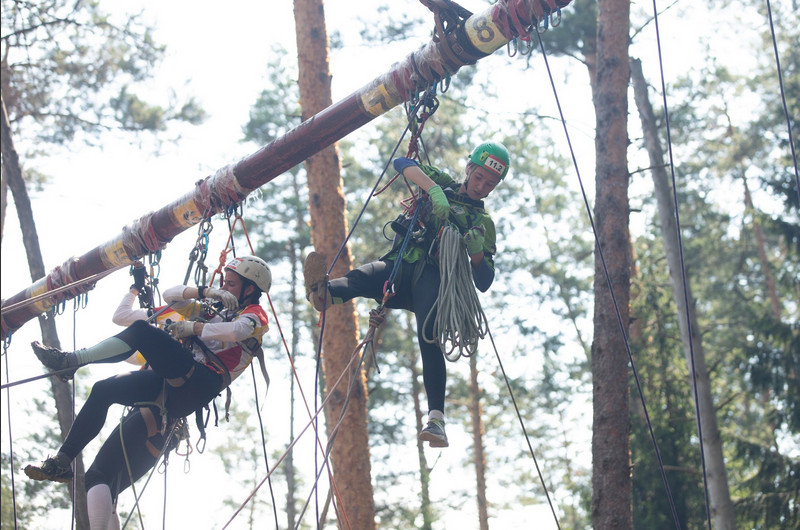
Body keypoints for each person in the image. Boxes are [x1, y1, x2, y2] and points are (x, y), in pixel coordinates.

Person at [24, 255, 272, 528]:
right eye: (224, 282)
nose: (225, 286)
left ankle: (73, 361)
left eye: (231, 283)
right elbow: (170, 295)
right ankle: (64, 459)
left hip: (200, 381)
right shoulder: (211, 308)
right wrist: (208, 292)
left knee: (142, 330)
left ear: (250, 289)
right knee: (103, 390)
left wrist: (193, 327)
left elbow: (236, 331)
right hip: (176, 382)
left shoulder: (254, 316)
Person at [304, 141, 509, 448]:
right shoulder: (441, 182)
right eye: (479, 177)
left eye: (490, 184)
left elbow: (484, 281)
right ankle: (325, 294)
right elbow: (402, 162)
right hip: (402, 264)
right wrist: (434, 190)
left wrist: (477, 253)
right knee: (363, 276)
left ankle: (436, 421)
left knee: (429, 337)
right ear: (469, 169)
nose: (481, 186)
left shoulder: (483, 223)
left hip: (434, 278)